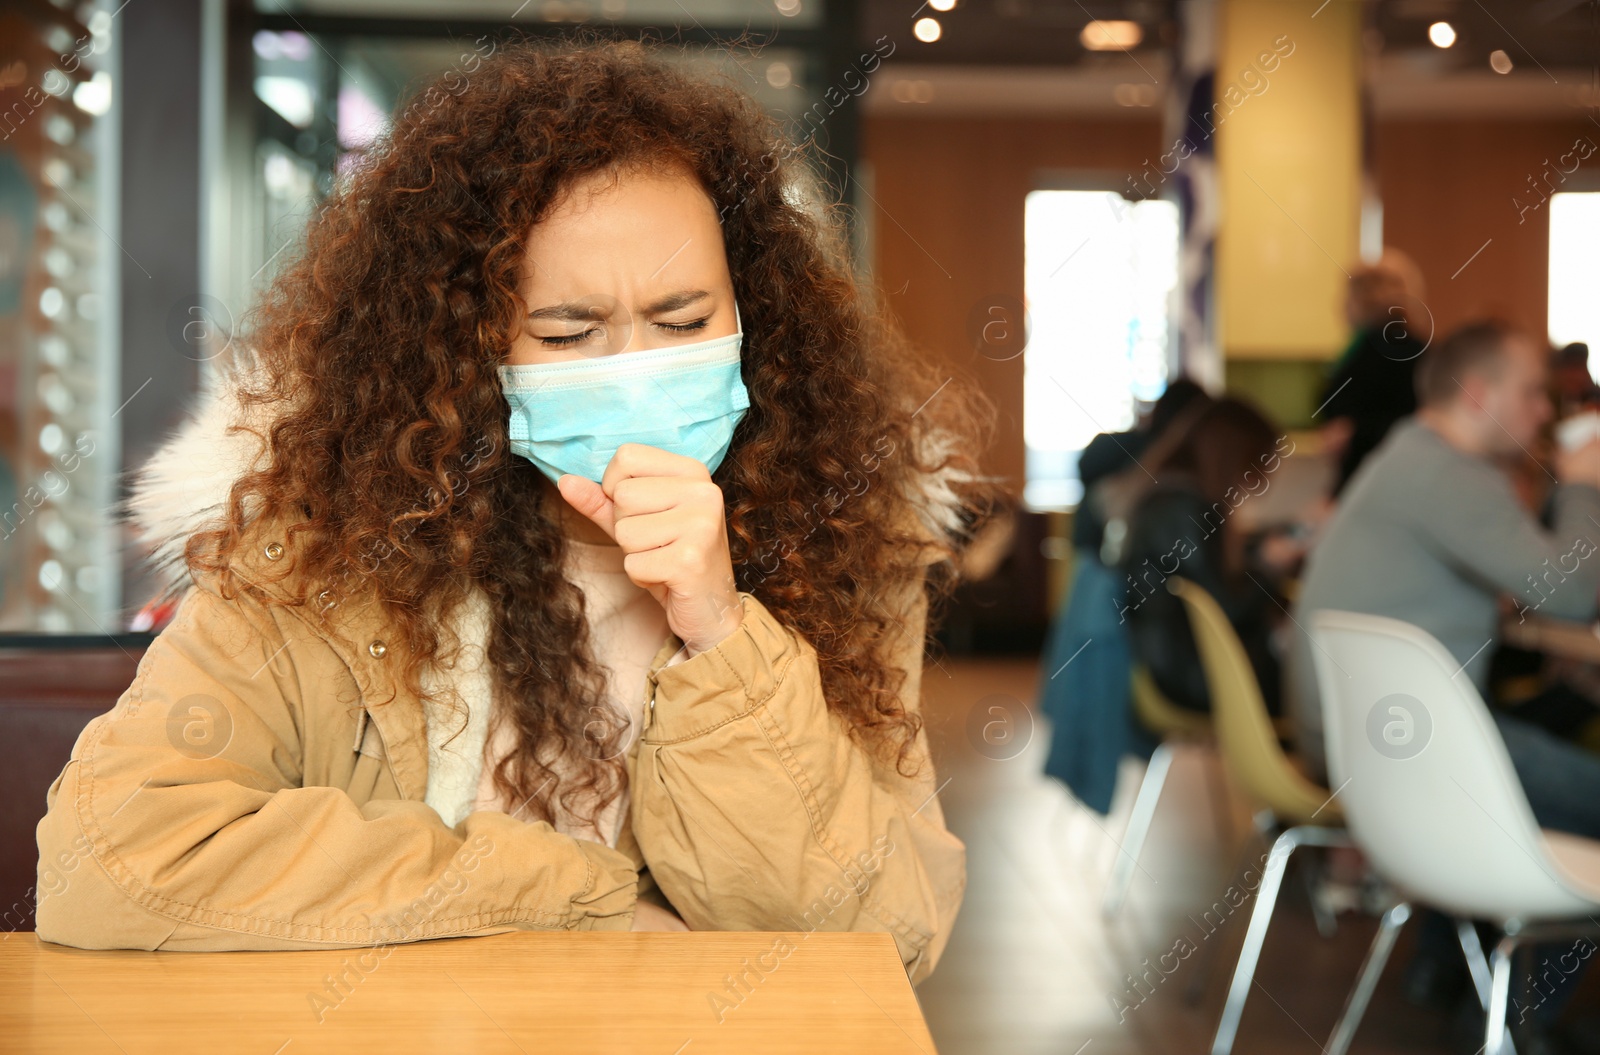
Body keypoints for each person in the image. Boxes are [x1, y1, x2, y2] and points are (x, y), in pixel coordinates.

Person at [34, 41, 996, 983]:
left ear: (753, 319)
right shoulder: (318, 546)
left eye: (684, 321)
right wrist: (582, 897)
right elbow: (108, 859)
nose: (631, 367)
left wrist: (722, 634)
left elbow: (880, 934)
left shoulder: (844, 551)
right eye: (570, 331)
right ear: (469, 348)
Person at [1290, 320, 1600, 1049]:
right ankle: (1521, 1021)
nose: (1543, 413)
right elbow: (1575, 589)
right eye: (1531, 393)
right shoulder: (1454, 475)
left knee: (1555, 722)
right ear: (1476, 393)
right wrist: (1584, 484)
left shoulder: (1408, 456)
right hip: (1412, 759)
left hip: (1372, 751)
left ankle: (1444, 968)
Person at [1039, 379, 1206, 814]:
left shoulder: (1133, 459)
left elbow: (1087, 465)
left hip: (1093, 581)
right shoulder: (1168, 477)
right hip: (1155, 660)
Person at [1113, 396, 1295, 715]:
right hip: (1192, 679)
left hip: (1176, 667)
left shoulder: (1171, 501)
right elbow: (1227, 608)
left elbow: (1205, 575)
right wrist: (1269, 566)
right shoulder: (1183, 512)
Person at [1316, 250, 1428, 497]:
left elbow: (1414, 420)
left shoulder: (1390, 348)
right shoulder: (1368, 344)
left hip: (1380, 481)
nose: (1340, 304)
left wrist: (1353, 432)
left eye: (1348, 295)